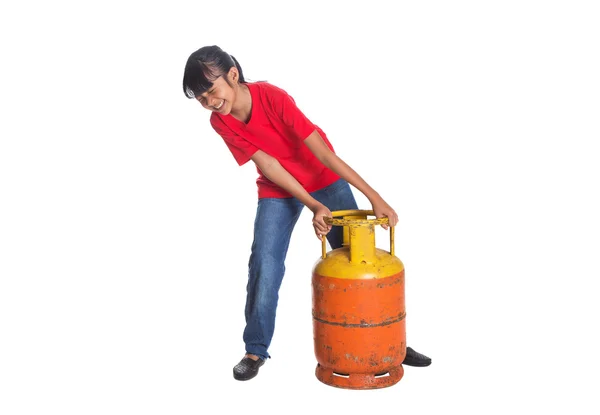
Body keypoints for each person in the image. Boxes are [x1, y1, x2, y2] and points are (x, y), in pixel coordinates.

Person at [182, 45, 431, 381]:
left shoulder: (272, 97)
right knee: (264, 262)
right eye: (201, 98)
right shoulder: (220, 121)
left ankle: (390, 344)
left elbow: (325, 155)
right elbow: (268, 163)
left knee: (361, 259)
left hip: (323, 176)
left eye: (212, 90)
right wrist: (312, 205)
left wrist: (374, 197)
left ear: (233, 75)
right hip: (278, 186)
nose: (210, 102)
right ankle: (255, 350)